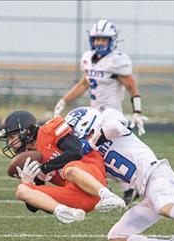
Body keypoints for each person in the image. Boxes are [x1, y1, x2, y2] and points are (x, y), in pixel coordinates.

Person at [65, 107, 174, 241]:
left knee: (164, 206)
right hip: (146, 191)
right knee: (117, 238)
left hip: (157, 174)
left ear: (84, 123)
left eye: (72, 130)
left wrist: (92, 143)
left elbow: (115, 127)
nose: (71, 137)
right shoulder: (88, 154)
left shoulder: (107, 118)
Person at [53, 19, 146, 206]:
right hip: (93, 116)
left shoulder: (117, 61)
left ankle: (124, 188)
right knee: (95, 154)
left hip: (112, 116)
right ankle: (123, 189)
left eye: (104, 40)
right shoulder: (88, 58)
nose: (100, 43)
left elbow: (131, 85)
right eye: (97, 39)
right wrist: (63, 101)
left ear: (112, 41)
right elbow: (83, 84)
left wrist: (137, 110)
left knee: (102, 154)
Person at [0, 110, 125, 224]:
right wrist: (30, 183)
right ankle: (63, 212)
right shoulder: (31, 158)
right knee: (22, 190)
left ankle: (107, 194)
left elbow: (76, 152)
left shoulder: (49, 131)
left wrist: (44, 168)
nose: (10, 143)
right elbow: (34, 207)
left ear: (27, 131)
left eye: (11, 137)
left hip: (93, 180)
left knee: (69, 169)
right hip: (78, 197)